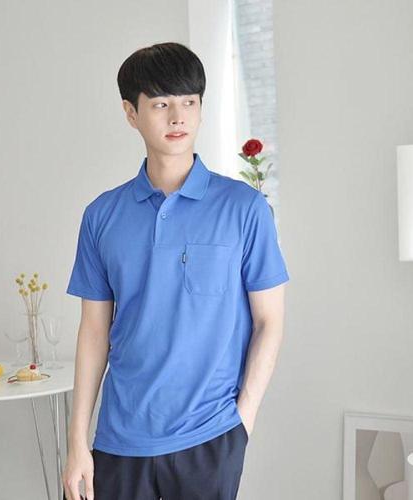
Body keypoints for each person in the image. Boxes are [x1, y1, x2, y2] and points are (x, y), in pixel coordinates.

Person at [62, 41, 290, 500]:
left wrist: (242, 421)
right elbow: (94, 333)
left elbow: (269, 321)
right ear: (131, 113)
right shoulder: (102, 215)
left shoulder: (244, 209)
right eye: (161, 104)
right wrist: (77, 443)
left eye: (189, 102)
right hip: (119, 439)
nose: (177, 117)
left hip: (210, 436)